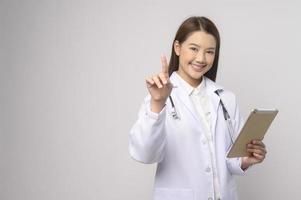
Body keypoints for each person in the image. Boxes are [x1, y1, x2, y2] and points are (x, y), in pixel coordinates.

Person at [129, 16, 267, 200]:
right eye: (194, 49)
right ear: (177, 48)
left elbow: (228, 159)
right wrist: (157, 104)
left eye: (210, 51)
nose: (201, 58)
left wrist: (245, 161)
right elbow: (144, 154)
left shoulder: (226, 98)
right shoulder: (158, 97)